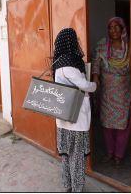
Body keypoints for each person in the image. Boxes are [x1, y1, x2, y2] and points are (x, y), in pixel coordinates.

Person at [53, 28, 97, 192]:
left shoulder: (58, 62)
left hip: (63, 118)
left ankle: (68, 185)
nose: (78, 42)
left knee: (65, 154)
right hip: (75, 119)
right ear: (71, 42)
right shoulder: (69, 64)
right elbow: (85, 86)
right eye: (76, 40)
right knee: (77, 156)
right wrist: (95, 85)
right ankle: (77, 188)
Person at [92, 17, 131, 166]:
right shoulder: (102, 45)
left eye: (116, 27)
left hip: (124, 92)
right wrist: (95, 77)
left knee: (122, 125)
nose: (113, 30)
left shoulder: (128, 46)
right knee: (107, 125)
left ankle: (119, 155)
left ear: (122, 29)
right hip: (107, 92)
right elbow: (96, 64)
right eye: (110, 27)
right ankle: (109, 153)